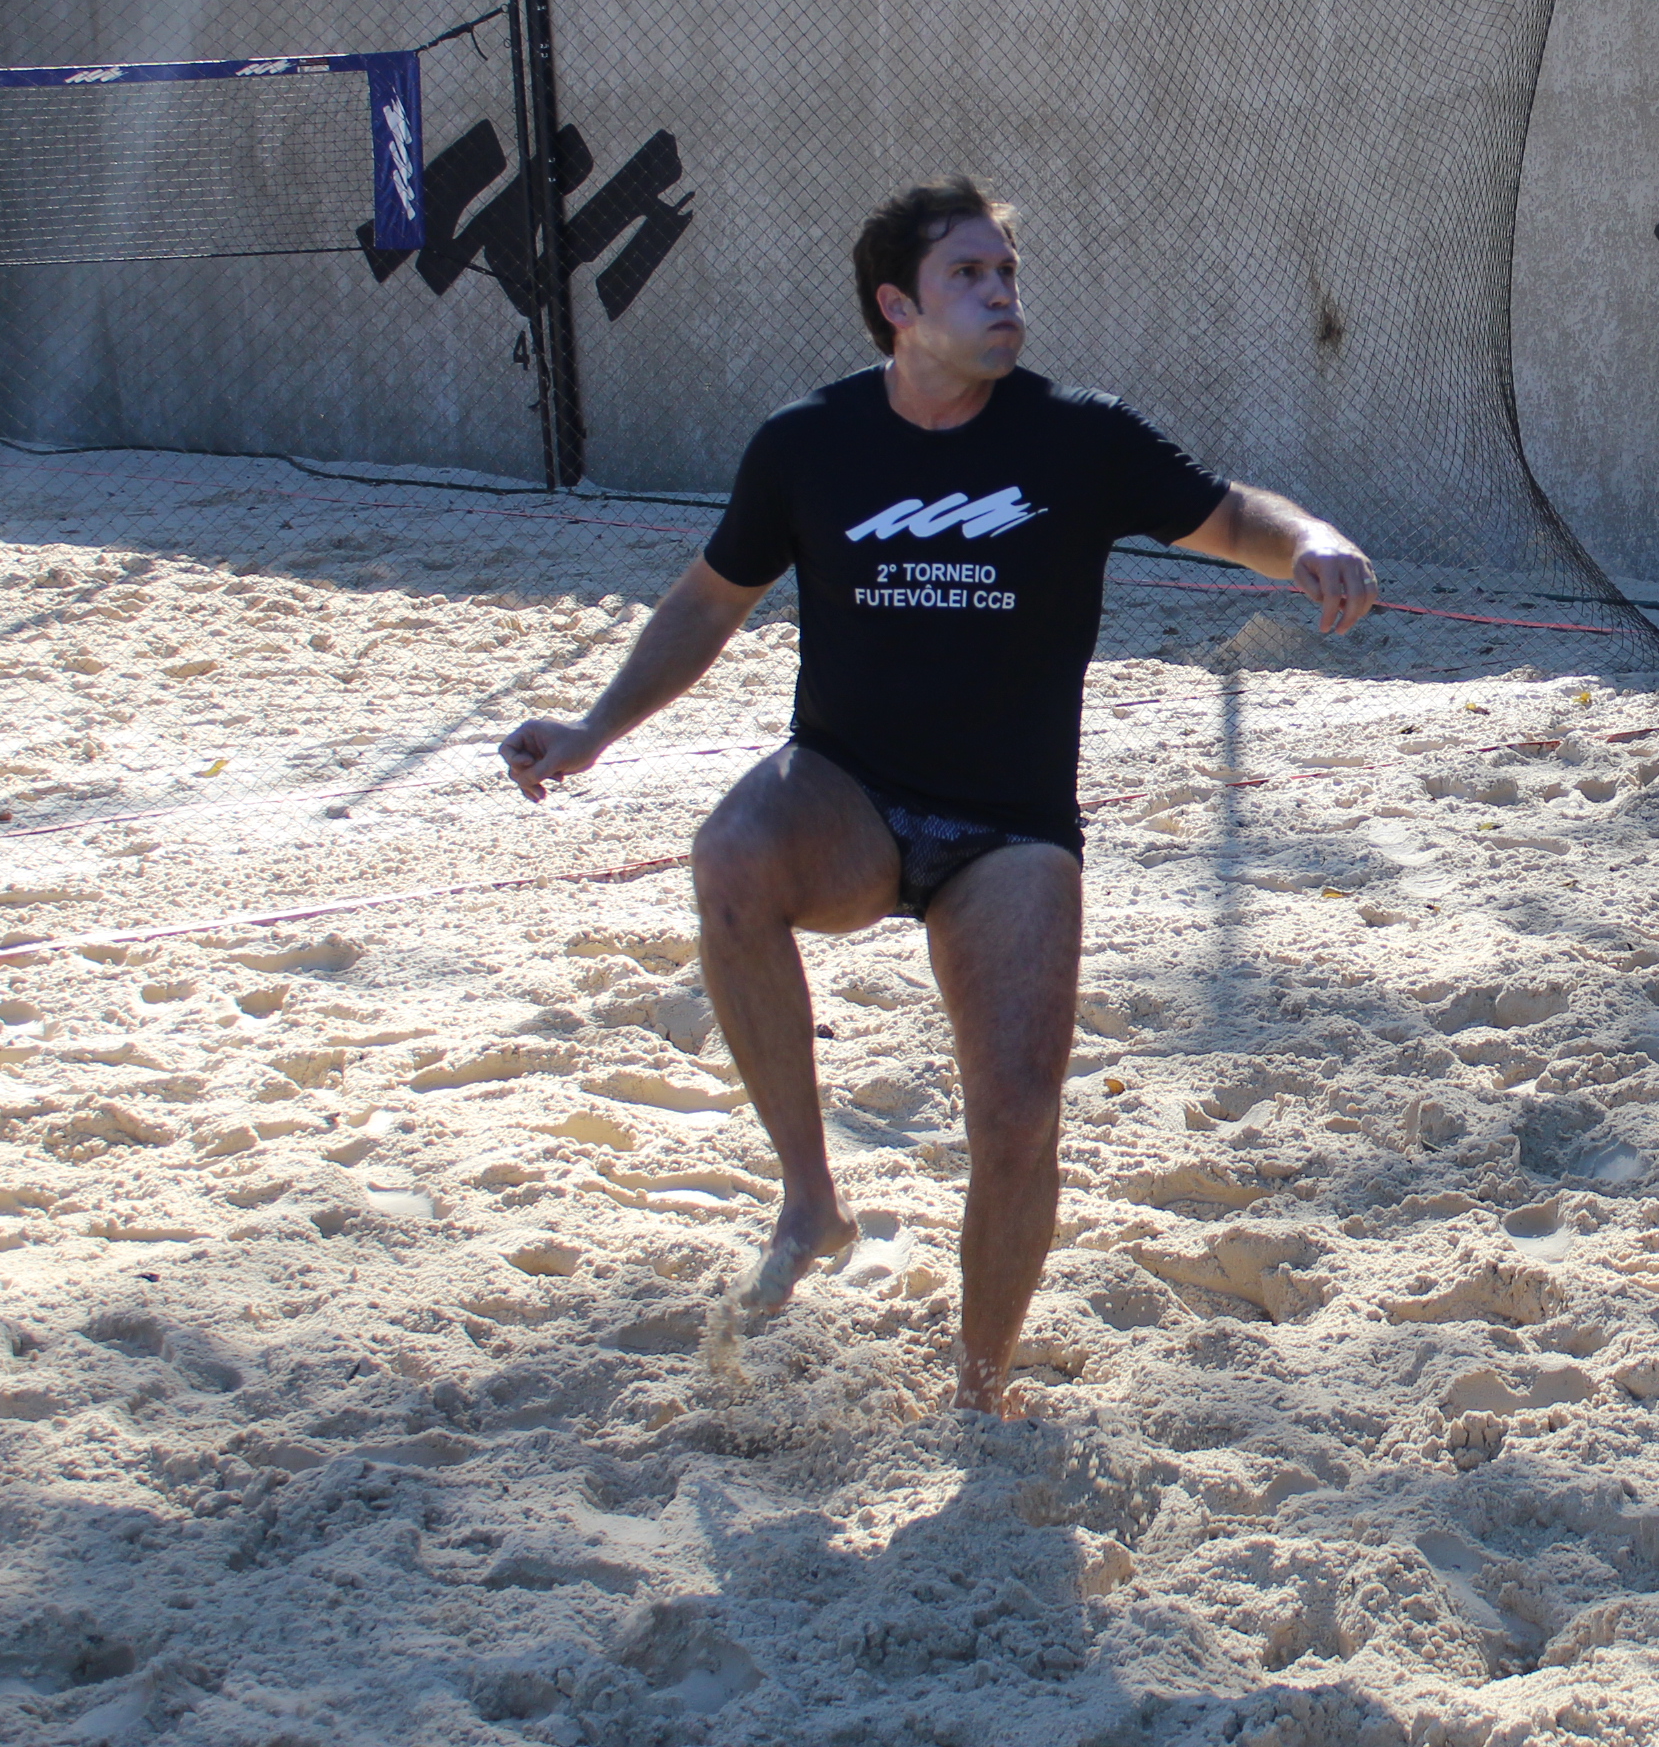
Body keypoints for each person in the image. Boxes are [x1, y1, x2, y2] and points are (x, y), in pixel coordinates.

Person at [498, 178, 1376, 1412]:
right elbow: (708, 602)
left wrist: (1311, 540)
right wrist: (594, 730)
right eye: (969, 275)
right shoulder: (809, 443)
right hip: (849, 796)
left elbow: (1230, 515)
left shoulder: (1080, 437)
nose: (1001, 293)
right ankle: (812, 1197)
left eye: (1008, 273)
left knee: (1016, 1120)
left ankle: (981, 1385)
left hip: (1009, 830)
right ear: (897, 307)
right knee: (731, 853)